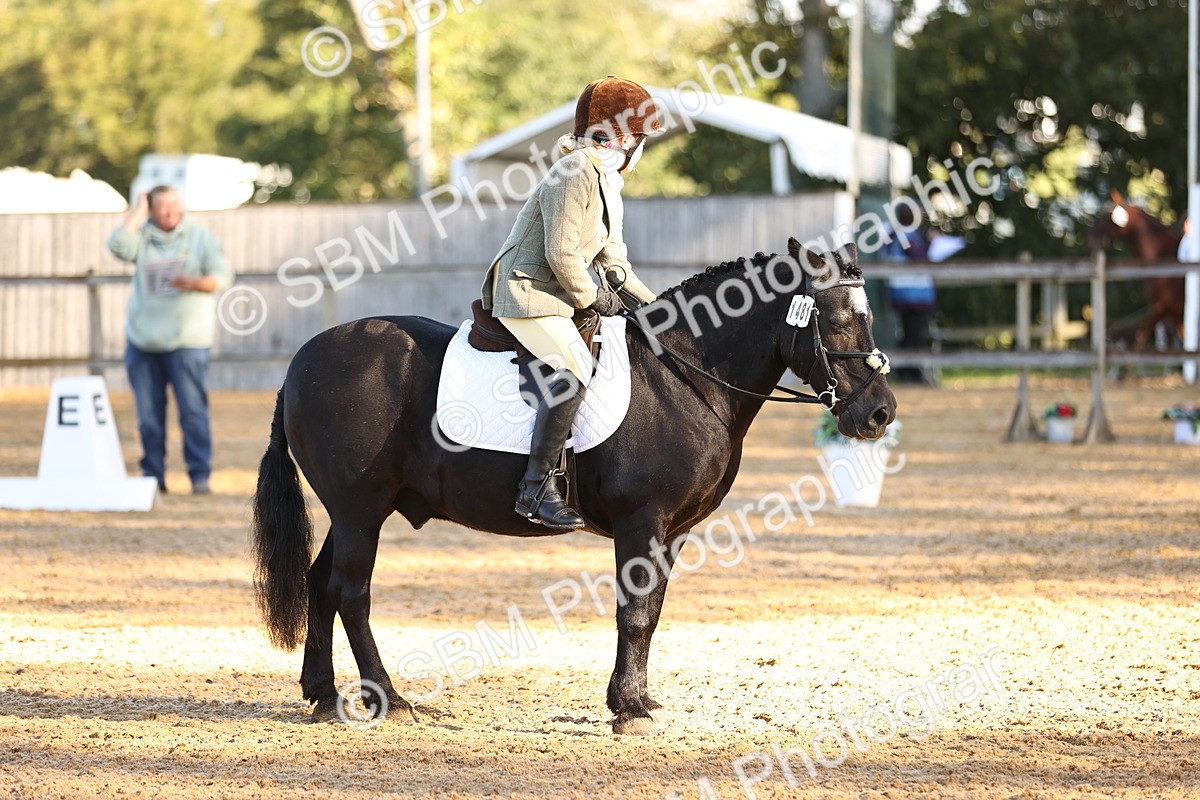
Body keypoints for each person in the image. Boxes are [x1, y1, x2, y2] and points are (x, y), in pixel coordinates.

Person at [480, 76, 660, 529]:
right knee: (574, 367)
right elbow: (560, 251)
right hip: (526, 292)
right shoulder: (574, 171)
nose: (640, 148)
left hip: (557, 294)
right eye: (639, 138)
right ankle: (535, 489)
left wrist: (659, 310)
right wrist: (594, 299)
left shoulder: (607, 182)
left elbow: (615, 264)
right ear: (620, 136)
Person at [107, 186, 235, 494]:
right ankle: (153, 476)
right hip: (143, 342)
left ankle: (199, 475)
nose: (169, 212)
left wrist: (193, 283)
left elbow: (223, 276)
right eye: (161, 207)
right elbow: (117, 245)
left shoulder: (200, 237)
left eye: (174, 205)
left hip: (187, 342)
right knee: (149, 417)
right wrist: (137, 210)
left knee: (193, 412)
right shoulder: (143, 237)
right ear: (152, 210)